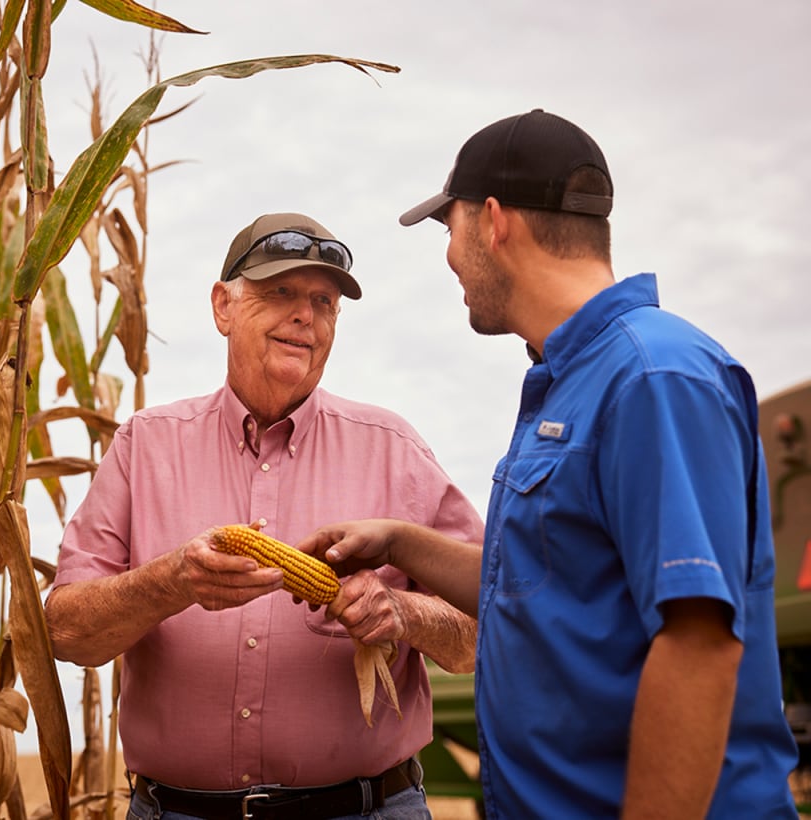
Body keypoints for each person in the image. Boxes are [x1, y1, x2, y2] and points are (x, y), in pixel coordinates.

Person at [297, 110, 800, 818]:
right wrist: (400, 540)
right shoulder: (574, 380)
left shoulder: (654, 378)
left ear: (495, 222)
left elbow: (697, 646)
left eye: (450, 228)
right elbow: (547, 586)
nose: (448, 257)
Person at [44, 211, 485, 820]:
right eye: (280, 292)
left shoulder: (395, 450)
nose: (305, 314)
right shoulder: (144, 446)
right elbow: (66, 632)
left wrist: (403, 612)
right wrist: (171, 581)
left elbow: (482, 631)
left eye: (324, 302)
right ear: (223, 306)